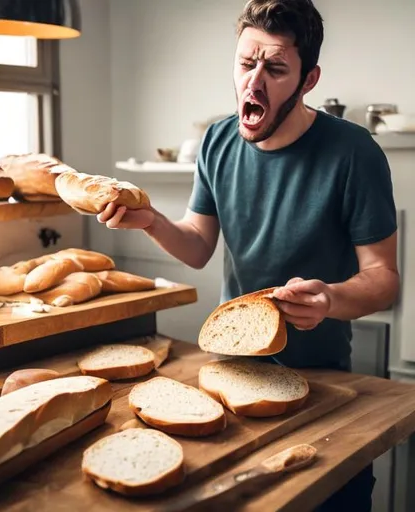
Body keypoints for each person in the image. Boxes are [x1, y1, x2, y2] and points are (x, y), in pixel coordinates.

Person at [97, 0, 399, 510]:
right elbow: (197, 245)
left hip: (325, 381)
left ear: (308, 80)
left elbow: (384, 277)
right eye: (245, 64)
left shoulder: (354, 152)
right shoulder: (216, 140)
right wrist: (152, 222)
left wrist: (329, 297)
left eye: (276, 68)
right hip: (230, 374)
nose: (253, 84)